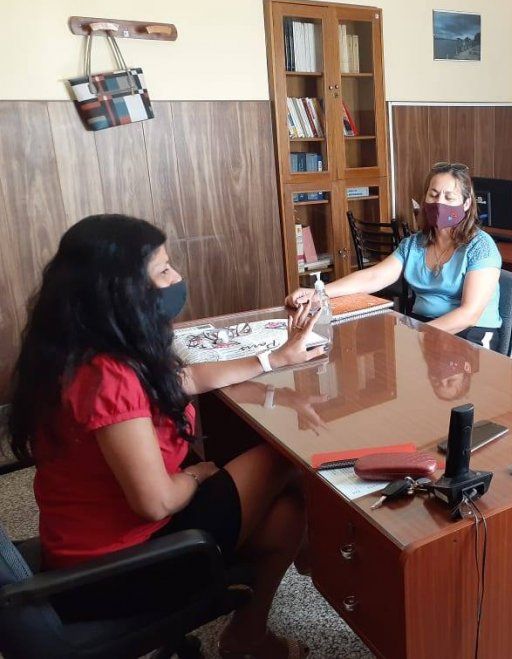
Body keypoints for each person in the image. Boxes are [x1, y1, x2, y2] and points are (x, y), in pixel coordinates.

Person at [5, 214, 325, 658]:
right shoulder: (106, 375)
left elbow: (182, 379)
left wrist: (273, 358)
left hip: (94, 546)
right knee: (282, 458)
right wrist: (197, 476)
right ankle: (317, 562)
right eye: (163, 271)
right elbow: (153, 501)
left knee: (287, 514)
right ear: (121, 294)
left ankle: (248, 637)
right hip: (116, 571)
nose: (177, 278)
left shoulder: (78, 345)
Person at [286, 162, 503, 350]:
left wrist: (416, 334)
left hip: (470, 333)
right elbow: (373, 277)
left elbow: (469, 314)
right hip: (423, 327)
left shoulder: (480, 246)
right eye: (433, 195)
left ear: (466, 204)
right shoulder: (415, 244)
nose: (439, 203)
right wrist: (318, 293)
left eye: (450, 197)